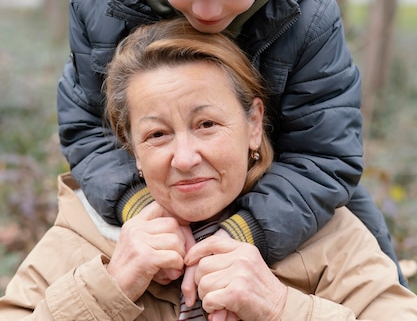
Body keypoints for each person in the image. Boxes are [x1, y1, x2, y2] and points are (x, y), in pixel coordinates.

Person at [57, 0, 406, 284]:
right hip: (153, 195)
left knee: (377, 279)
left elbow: (326, 155)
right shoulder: (99, 1)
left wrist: (244, 231)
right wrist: (141, 207)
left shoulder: (310, 19)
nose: (206, 8)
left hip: (281, 202)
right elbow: (86, 128)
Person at [1, 19, 416, 320]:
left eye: (206, 125)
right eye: (158, 135)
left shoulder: (331, 238)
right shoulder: (84, 235)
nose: (184, 158)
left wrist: (279, 306)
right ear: (132, 149)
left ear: (253, 124)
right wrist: (110, 285)